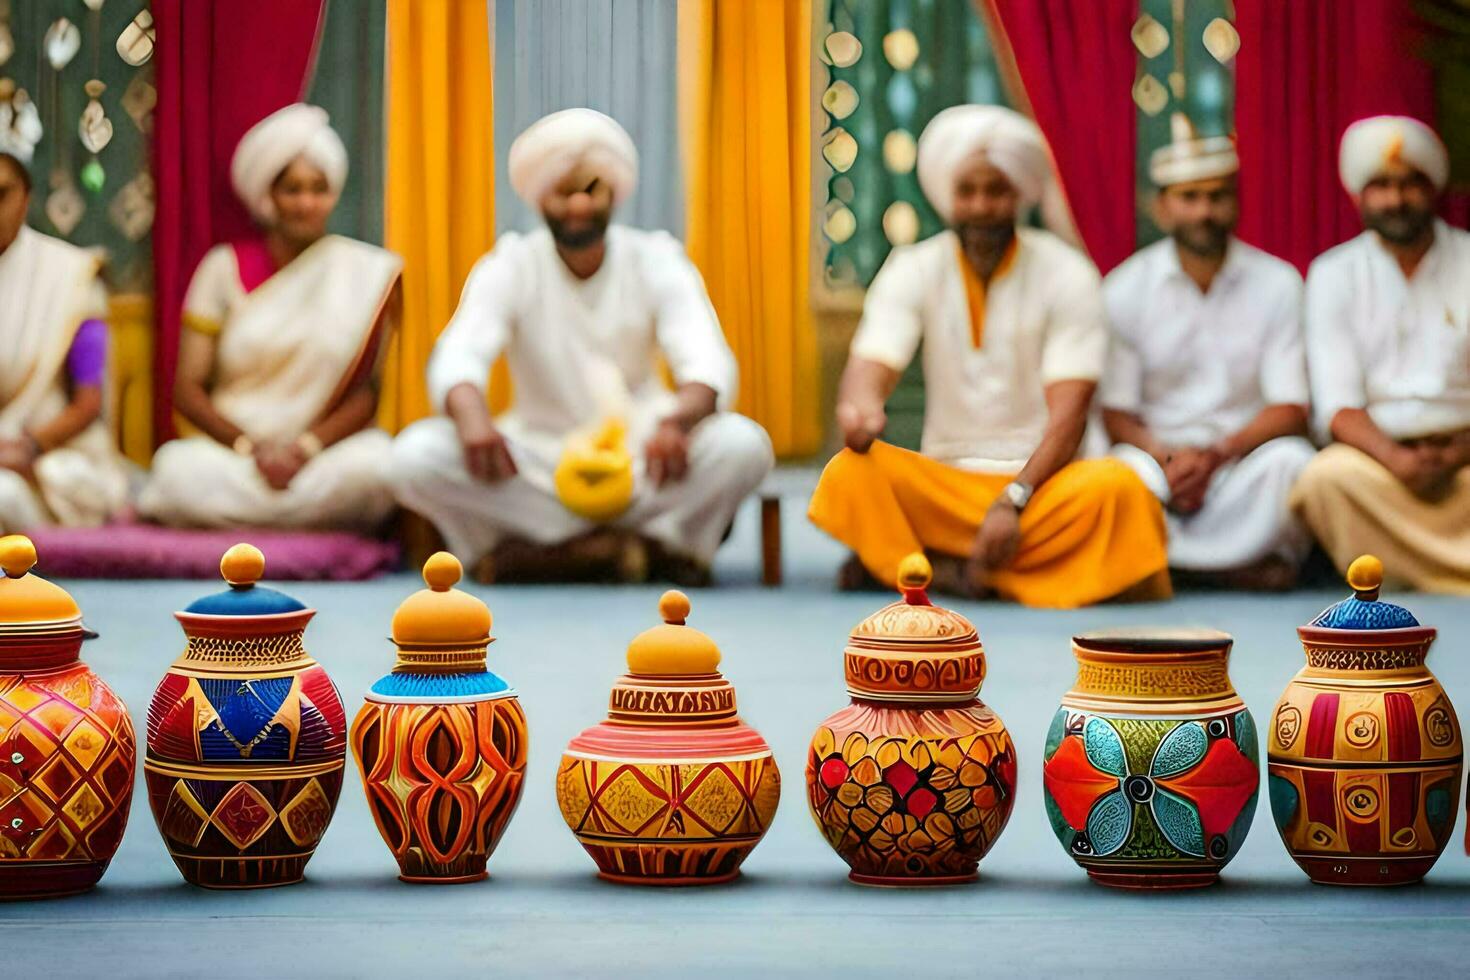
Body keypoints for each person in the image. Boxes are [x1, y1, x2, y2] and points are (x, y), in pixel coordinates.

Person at [807, 105, 1169, 608]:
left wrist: (1015, 499)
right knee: (850, 472)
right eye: (967, 192)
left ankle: (931, 569)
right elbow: (872, 365)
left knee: (1119, 488)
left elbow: (1071, 413)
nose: (981, 207)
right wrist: (859, 409)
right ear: (946, 197)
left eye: (996, 192)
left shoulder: (1066, 274)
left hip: (1042, 490)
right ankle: (992, 572)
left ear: (1019, 196)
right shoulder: (913, 267)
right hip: (946, 485)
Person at [391, 108, 772, 584]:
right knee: (414, 456)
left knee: (742, 445)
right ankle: (639, 550)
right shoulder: (512, 263)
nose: (577, 205)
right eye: (562, 191)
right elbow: (460, 356)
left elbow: (704, 357)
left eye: (591, 189)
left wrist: (678, 421)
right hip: (539, 458)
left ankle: (554, 555)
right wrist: (473, 423)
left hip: (645, 454)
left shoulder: (655, 258)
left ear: (614, 191)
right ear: (539, 198)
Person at [137, 104, 402, 531]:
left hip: (318, 457)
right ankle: (304, 524)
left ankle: (244, 522)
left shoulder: (363, 272)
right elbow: (188, 388)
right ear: (268, 196)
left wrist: (305, 449)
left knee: (379, 466)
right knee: (174, 469)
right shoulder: (223, 267)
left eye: (319, 189)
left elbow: (367, 394)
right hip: (235, 455)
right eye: (292, 189)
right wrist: (249, 448)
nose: (306, 203)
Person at [1101, 116, 1315, 590]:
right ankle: (1225, 567)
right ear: (1162, 207)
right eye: (1189, 197)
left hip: (1239, 463)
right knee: (1118, 474)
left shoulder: (1277, 283)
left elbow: (1291, 407)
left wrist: (1217, 455)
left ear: (1235, 203)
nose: (1204, 212)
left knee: (1294, 462)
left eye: (1217, 196)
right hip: (1160, 467)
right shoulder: (1125, 288)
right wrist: (1167, 459)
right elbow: (1116, 412)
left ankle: (1174, 566)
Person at [1291, 116, 1470, 592]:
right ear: (1357, 196)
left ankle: (1413, 574)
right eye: (1381, 186)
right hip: (1380, 464)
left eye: (1410, 184)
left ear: (1434, 189)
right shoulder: (1334, 273)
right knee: (1324, 479)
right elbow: (1338, 405)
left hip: (1466, 458)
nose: (1396, 200)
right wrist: (1396, 458)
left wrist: (1455, 452)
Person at [0, 142, 127, 533]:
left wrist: (30, 446)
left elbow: (88, 402)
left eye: (1, 194)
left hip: (43, 456)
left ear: (26, 198)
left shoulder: (70, 276)